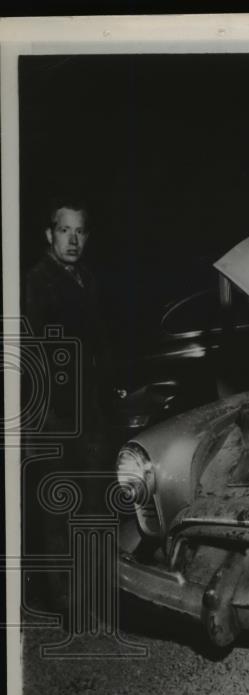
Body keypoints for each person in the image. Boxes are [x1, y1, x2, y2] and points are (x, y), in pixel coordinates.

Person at [22, 199, 117, 607]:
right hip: (54, 414)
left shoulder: (87, 278)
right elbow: (29, 349)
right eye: (65, 230)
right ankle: (64, 601)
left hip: (89, 409)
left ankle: (92, 592)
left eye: (80, 231)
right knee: (57, 508)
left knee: (93, 500)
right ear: (49, 235)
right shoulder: (37, 280)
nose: (73, 239)